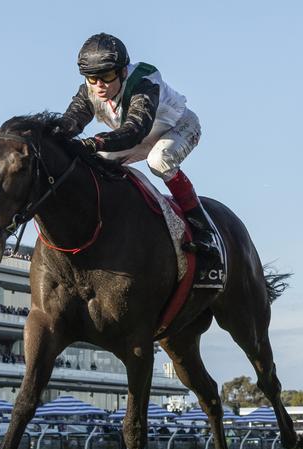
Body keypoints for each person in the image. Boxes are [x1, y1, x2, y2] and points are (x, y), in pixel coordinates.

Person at [55, 33, 222, 287]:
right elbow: (69, 123)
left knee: (159, 161)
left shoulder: (143, 81)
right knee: (96, 165)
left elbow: (135, 129)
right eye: (92, 78)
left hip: (178, 128)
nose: (99, 85)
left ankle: (204, 230)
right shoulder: (90, 90)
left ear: (122, 71)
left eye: (107, 76)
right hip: (136, 136)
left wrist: (95, 142)